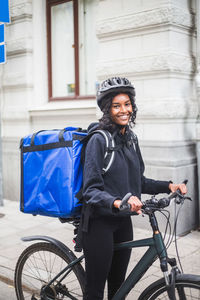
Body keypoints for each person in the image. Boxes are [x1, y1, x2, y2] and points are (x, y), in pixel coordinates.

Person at [81, 77, 187, 300]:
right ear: (107, 109)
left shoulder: (130, 138)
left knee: (119, 288)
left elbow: (139, 181)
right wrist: (118, 202)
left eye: (127, 104)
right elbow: (90, 190)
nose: (123, 110)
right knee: (95, 291)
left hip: (122, 222)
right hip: (99, 224)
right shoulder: (98, 140)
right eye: (116, 105)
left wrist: (169, 185)